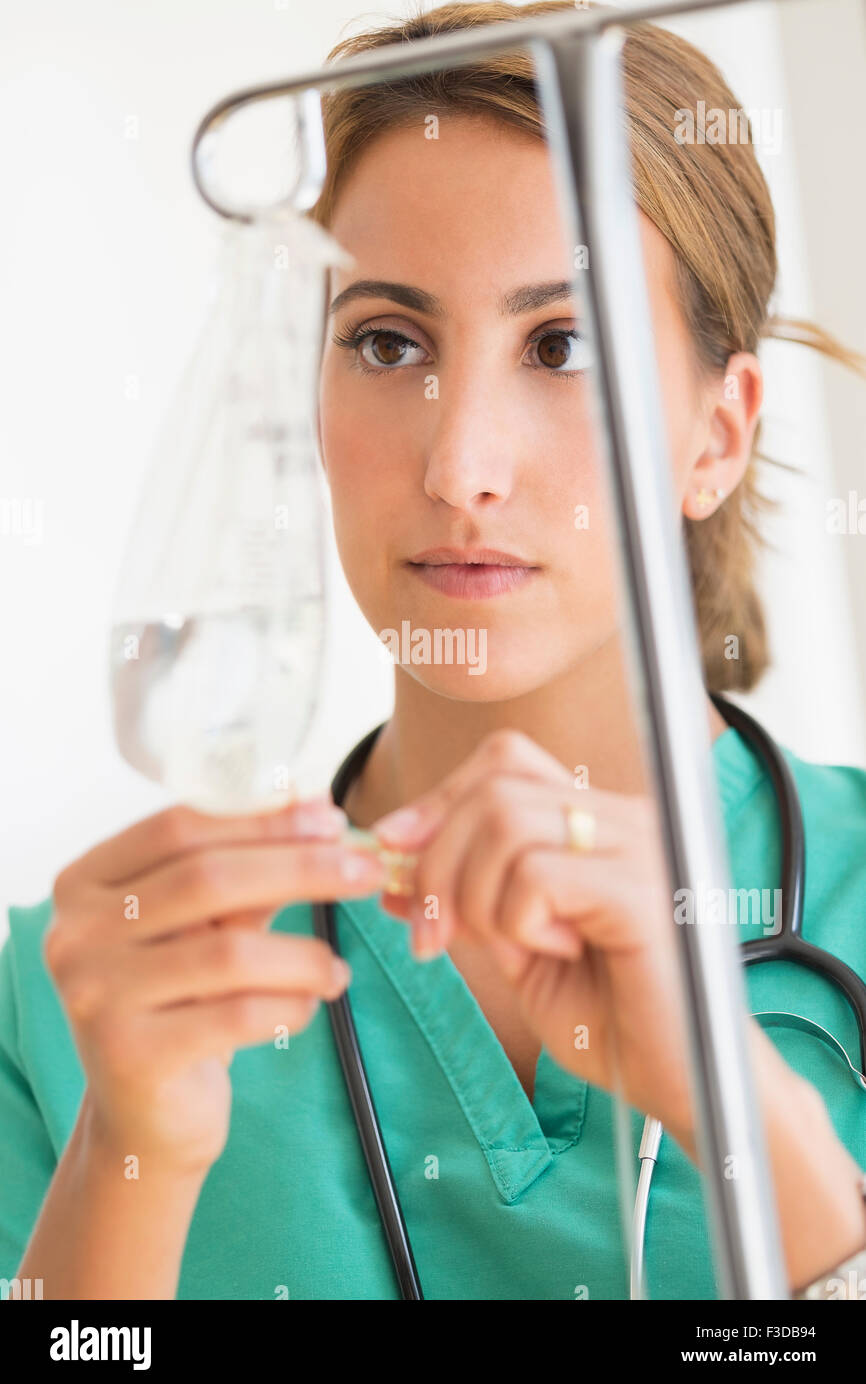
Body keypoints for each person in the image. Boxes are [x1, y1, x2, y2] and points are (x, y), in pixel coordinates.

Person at [3, 0, 866, 1301]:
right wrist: (127, 1160)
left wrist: (751, 1112)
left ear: (716, 434)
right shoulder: (78, 983)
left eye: (560, 344)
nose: (459, 463)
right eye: (386, 341)